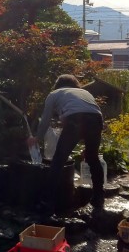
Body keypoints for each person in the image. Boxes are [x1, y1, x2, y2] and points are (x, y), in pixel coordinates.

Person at [27, 74, 104, 214]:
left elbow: (45, 120)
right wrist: (91, 146)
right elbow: (94, 114)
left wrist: (37, 138)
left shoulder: (54, 94)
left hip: (76, 119)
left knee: (58, 161)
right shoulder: (85, 92)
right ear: (74, 84)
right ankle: (99, 198)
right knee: (93, 159)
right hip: (97, 120)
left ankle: (47, 202)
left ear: (58, 85)